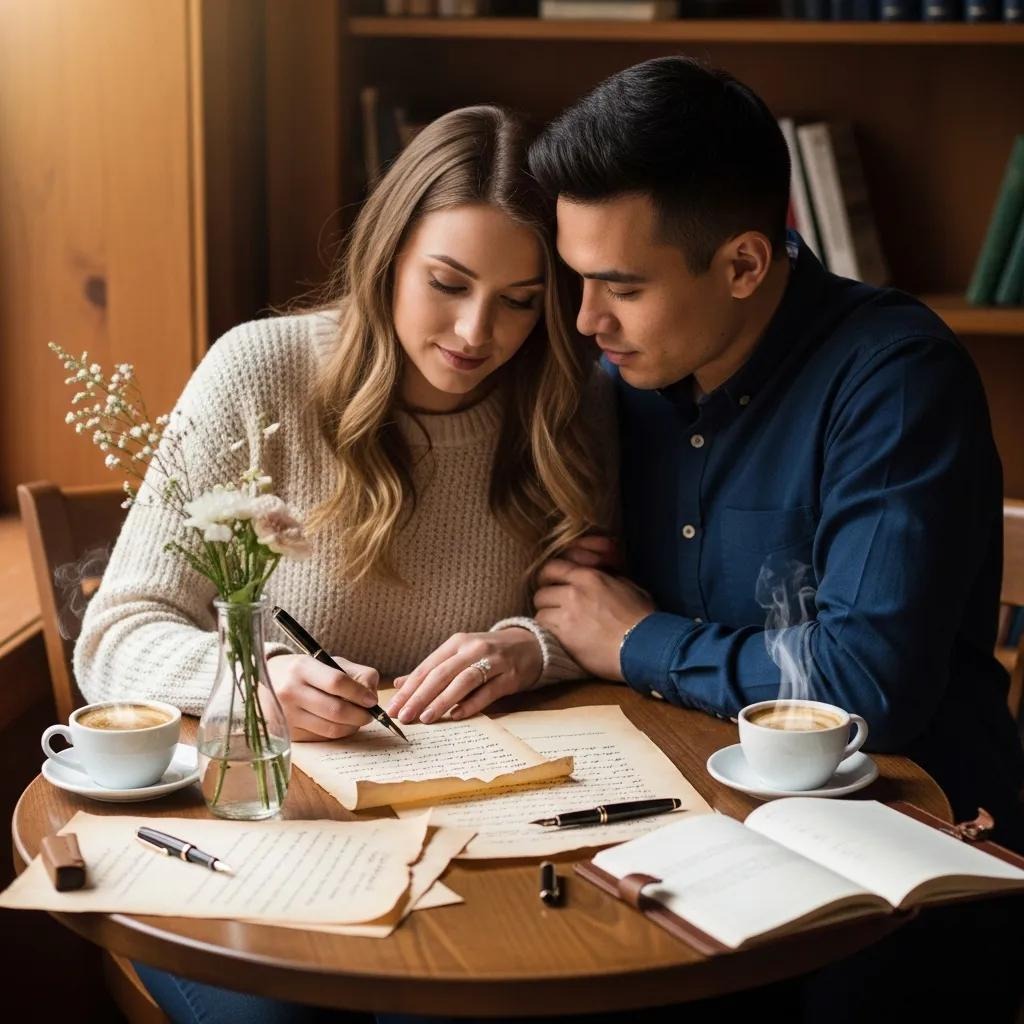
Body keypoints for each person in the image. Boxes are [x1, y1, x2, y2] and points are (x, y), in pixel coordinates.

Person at [74, 105, 610, 1023]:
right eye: (447, 282)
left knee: (454, 1003)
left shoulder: (562, 404)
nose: (478, 332)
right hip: (251, 833)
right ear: (387, 254)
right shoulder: (260, 373)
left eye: (521, 299)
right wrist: (259, 679)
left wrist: (526, 648)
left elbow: (587, 615)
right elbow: (115, 636)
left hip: (465, 840)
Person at [519, 56, 1024, 1019]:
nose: (586, 321)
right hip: (692, 828)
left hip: (903, 861)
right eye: (576, 279)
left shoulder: (896, 378)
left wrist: (635, 639)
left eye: (619, 284)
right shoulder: (627, 377)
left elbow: (861, 687)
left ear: (746, 263)